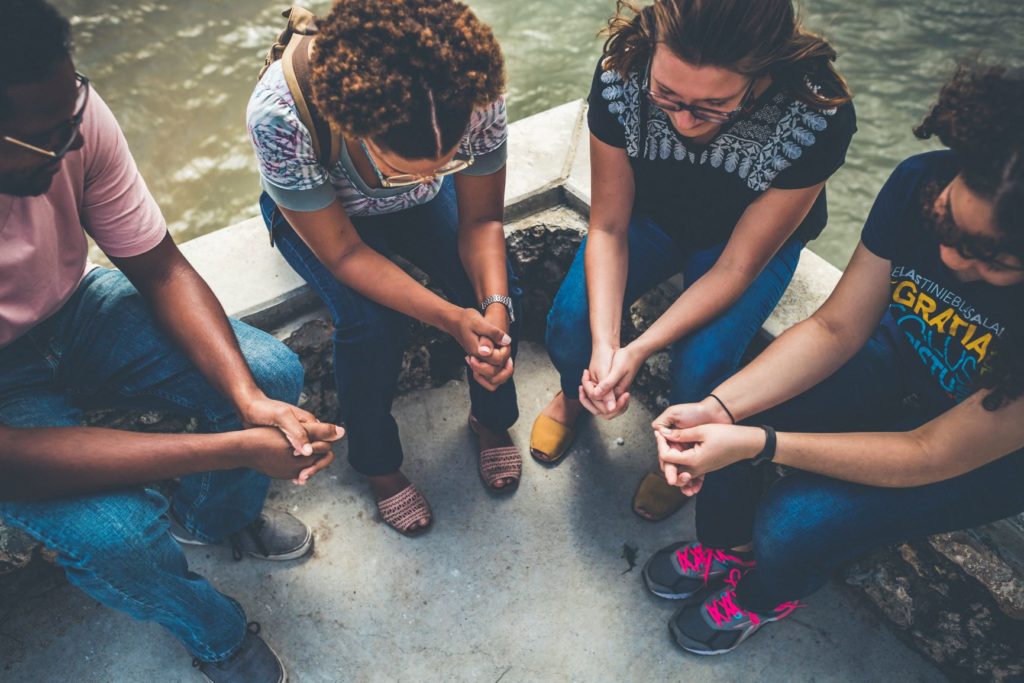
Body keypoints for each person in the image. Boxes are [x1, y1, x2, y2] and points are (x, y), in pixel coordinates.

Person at [0, 2, 343, 681]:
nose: (71, 145)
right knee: (119, 536)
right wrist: (237, 445)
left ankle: (213, 519)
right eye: (46, 139)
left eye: (74, 119)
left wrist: (247, 400)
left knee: (271, 374)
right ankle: (215, 634)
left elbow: (158, 266)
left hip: (73, 308)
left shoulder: (70, 116)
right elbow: (10, 460)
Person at [642, 63, 1024, 655]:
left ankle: (766, 594)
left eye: (989, 260)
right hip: (898, 361)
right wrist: (720, 410)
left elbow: (931, 452)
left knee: (793, 522)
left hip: (982, 450)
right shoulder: (920, 179)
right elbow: (836, 325)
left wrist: (762, 443)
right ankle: (729, 548)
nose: (948, 256)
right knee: (727, 409)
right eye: (946, 221)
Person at [530, 0, 856, 522]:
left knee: (701, 368)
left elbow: (736, 268)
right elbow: (609, 227)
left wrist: (638, 349)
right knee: (571, 326)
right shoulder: (623, 69)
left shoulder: (816, 111)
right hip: (649, 218)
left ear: (762, 72)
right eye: (667, 94)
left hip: (744, 244)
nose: (683, 119)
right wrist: (606, 345)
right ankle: (573, 397)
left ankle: (675, 460)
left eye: (712, 106)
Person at [248, 0, 520, 536]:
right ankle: (378, 464)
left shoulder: (473, 90)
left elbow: (483, 219)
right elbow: (345, 253)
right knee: (372, 326)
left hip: (407, 213)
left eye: (450, 162)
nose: (428, 179)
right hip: (326, 216)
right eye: (404, 171)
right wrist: (450, 319)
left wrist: (493, 311)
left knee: (498, 287)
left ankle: (491, 420)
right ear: (352, 126)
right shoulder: (280, 115)